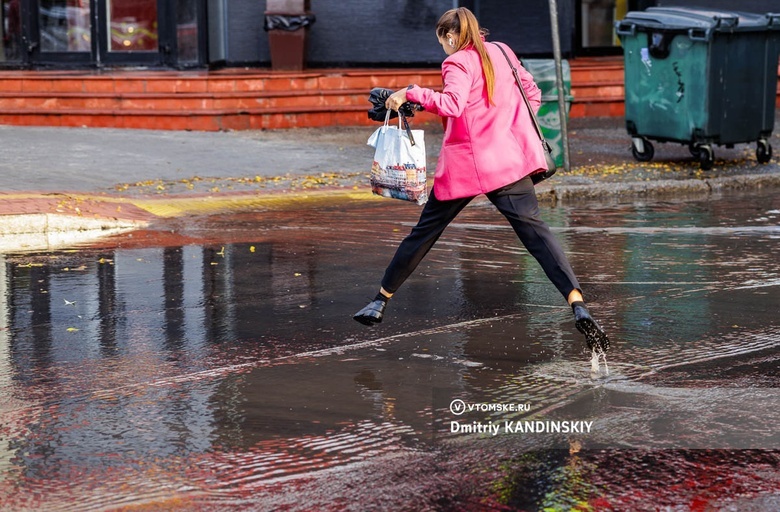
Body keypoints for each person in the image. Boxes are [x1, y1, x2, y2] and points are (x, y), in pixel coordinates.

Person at [353, 7, 610, 353]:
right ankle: (577, 303)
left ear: (450, 36)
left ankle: (379, 302)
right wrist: (504, 124)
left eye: (442, 41)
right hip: (509, 163)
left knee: (424, 233)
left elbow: (454, 104)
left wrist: (411, 92)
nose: (443, 48)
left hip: (468, 167)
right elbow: (531, 95)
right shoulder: (502, 51)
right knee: (537, 236)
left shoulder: (457, 61)